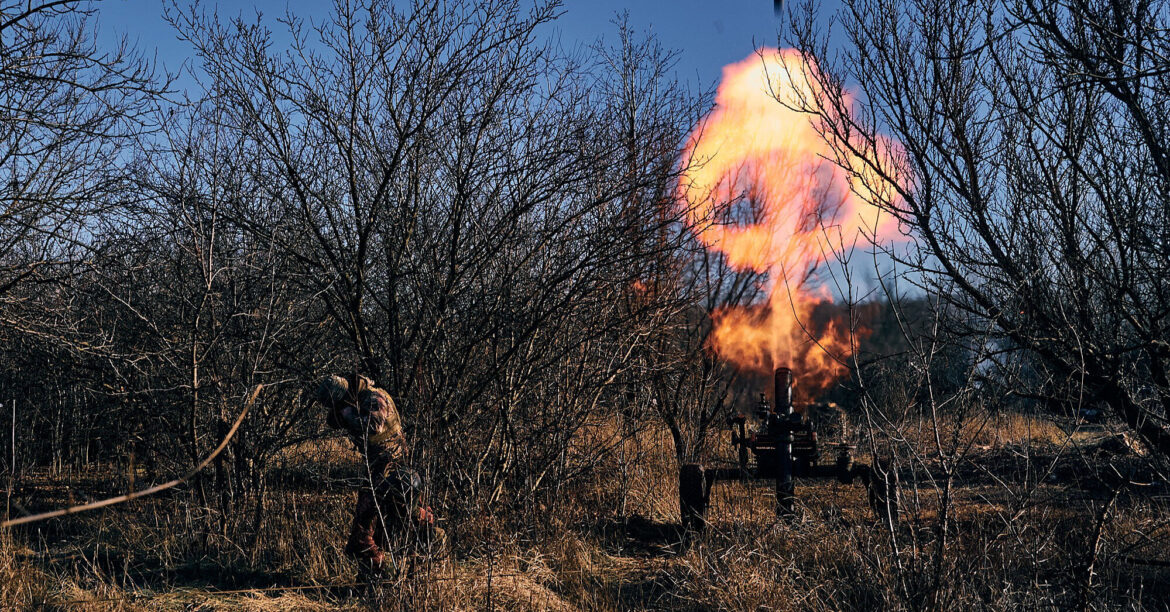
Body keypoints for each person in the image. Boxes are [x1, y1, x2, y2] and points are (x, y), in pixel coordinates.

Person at [315, 373, 442, 576]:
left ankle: (384, 570)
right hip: (381, 466)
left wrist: (348, 415)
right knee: (397, 513)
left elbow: (375, 426)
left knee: (367, 522)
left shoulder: (373, 397)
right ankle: (424, 540)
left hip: (389, 466)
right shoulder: (362, 397)